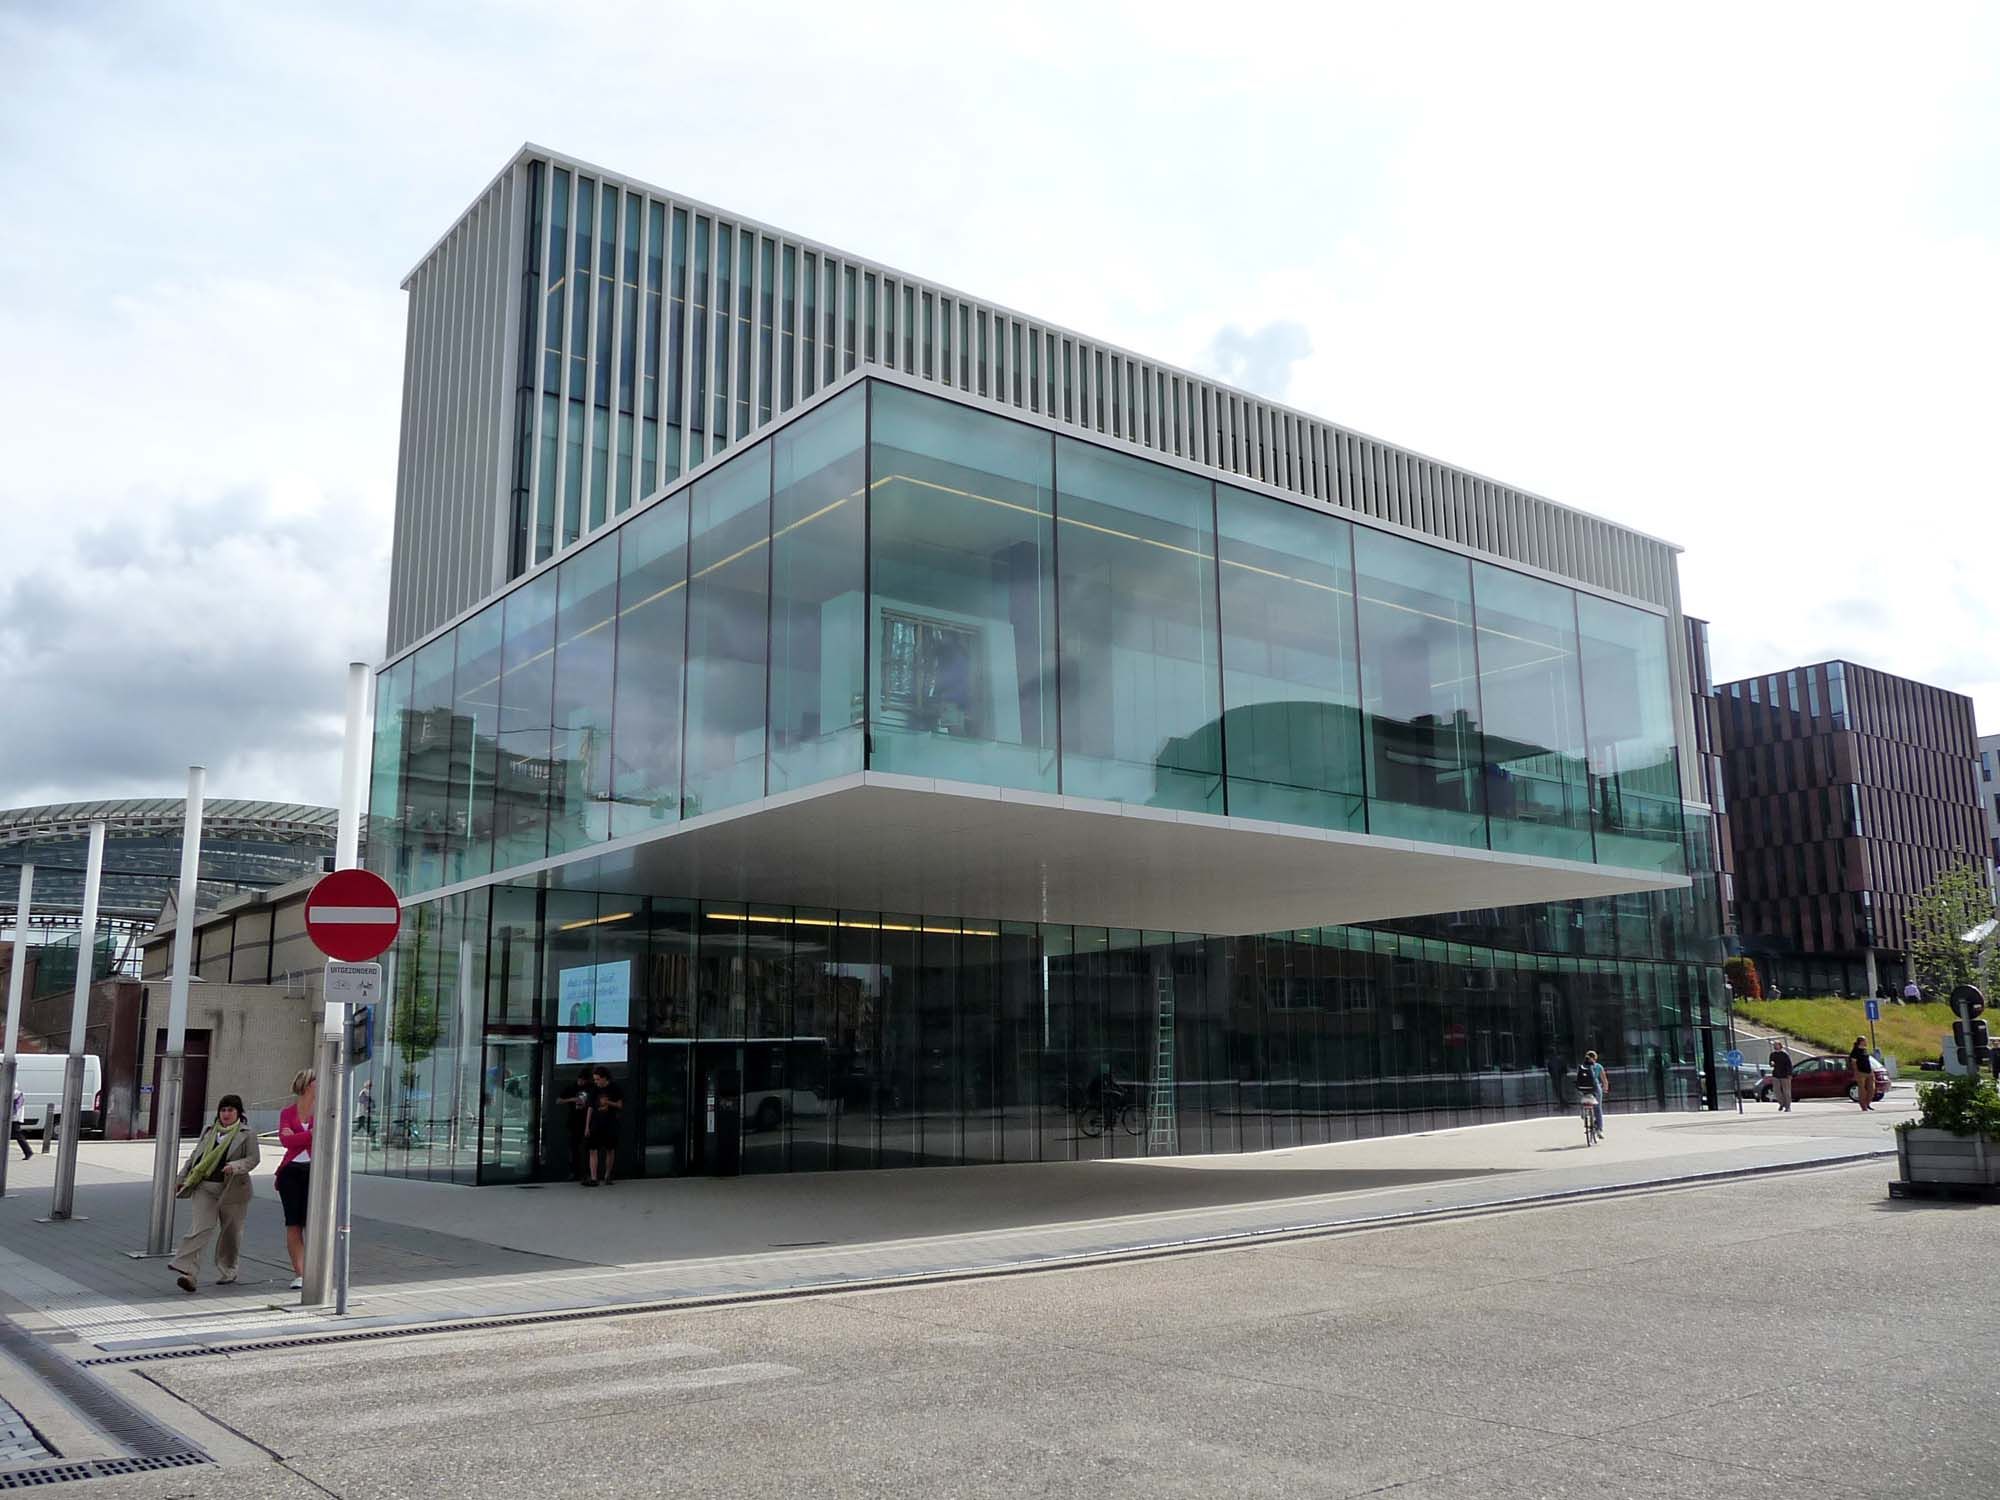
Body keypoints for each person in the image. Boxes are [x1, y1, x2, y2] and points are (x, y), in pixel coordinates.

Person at [169, 1094, 261, 1293]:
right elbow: (195, 1157)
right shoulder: (209, 1131)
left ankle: (229, 1270)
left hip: (233, 1190)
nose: (226, 1114)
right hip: (204, 1187)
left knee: (230, 1233)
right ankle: (188, 1272)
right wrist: (181, 1177)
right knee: (201, 1228)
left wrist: (235, 1166)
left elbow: (254, 1159)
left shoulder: (247, 1133)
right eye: (223, 1110)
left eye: (231, 1110)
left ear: (239, 1113)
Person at [277, 1069, 315, 1291]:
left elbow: (322, 1136)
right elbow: (285, 1141)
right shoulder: (288, 1112)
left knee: (314, 1222)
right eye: (316, 1081)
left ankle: (314, 1269)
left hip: (315, 1171)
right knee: (293, 1223)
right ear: (308, 1085)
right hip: (290, 1172)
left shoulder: (323, 1111)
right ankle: (300, 1273)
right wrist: (309, 1135)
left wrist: (298, 1137)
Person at [584, 1065, 622, 1187]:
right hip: (596, 1122)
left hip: (610, 1122)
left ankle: (607, 1175)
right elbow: (590, 1108)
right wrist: (587, 1126)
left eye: (598, 1079)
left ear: (605, 1078)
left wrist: (608, 1102)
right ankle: (594, 1177)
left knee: (610, 1149)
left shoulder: (614, 1088)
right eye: (595, 1079)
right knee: (593, 1149)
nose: (596, 1082)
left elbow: (620, 1105)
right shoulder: (594, 1090)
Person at [564, 1070, 594, 1184]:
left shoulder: (591, 1088)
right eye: (580, 1080)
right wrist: (572, 1099)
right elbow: (559, 1100)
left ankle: (587, 1172)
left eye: (583, 1080)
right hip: (574, 1121)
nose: (581, 1082)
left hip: (586, 1121)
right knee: (573, 1148)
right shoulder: (572, 1087)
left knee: (587, 1149)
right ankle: (574, 1171)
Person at [1575, 1050, 1608, 1137]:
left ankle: (1583, 1110)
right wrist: (1605, 1088)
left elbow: (1578, 1078)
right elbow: (1604, 1080)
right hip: (1595, 1088)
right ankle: (1599, 1129)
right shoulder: (1598, 1066)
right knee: (1598, 1107)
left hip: (1583, 1088)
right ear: (1595, 1058)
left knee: (1583, 1098)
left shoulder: (1581, 1067)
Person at [1849, 1036, 1876, 1111]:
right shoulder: (1855, 1051)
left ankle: (1868, 1103)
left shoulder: (1865, 1050)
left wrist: (1872, 1071)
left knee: (1872, 1089)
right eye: (1865, 1041)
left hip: (1869, 1071)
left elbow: (1868, 1061)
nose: (1866, 1042)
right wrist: (1856, 1072)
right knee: (1862, 1090)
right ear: (1861, 1041)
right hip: (1861, 1072)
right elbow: (1853, 1063)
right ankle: (1863, 1106)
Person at [1768, 1041, 1794, 1111]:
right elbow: (1770, 1063)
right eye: (1774, 1045)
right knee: (1776, 1091)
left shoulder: (1784, 1054)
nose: (1775, 1046)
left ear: (1780, 1045)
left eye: (1776, 1045)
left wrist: (1789, 1074)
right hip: (1776, 1075)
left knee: (1786, 1092)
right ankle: (1781, 1103)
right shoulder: (1772, 1054)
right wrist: (1771, 1063)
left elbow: (1789, 1064)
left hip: (1785, 1075)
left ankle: (1788, 1106)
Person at [9, 1086, 31, 1162]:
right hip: (15, 1118)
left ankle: (28, 1151)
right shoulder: (18, 1094)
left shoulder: (16, 1094)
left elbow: (16, 1107)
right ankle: (28, 1152)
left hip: (14, 1118)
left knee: (18, 1135)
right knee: (18, 1135)